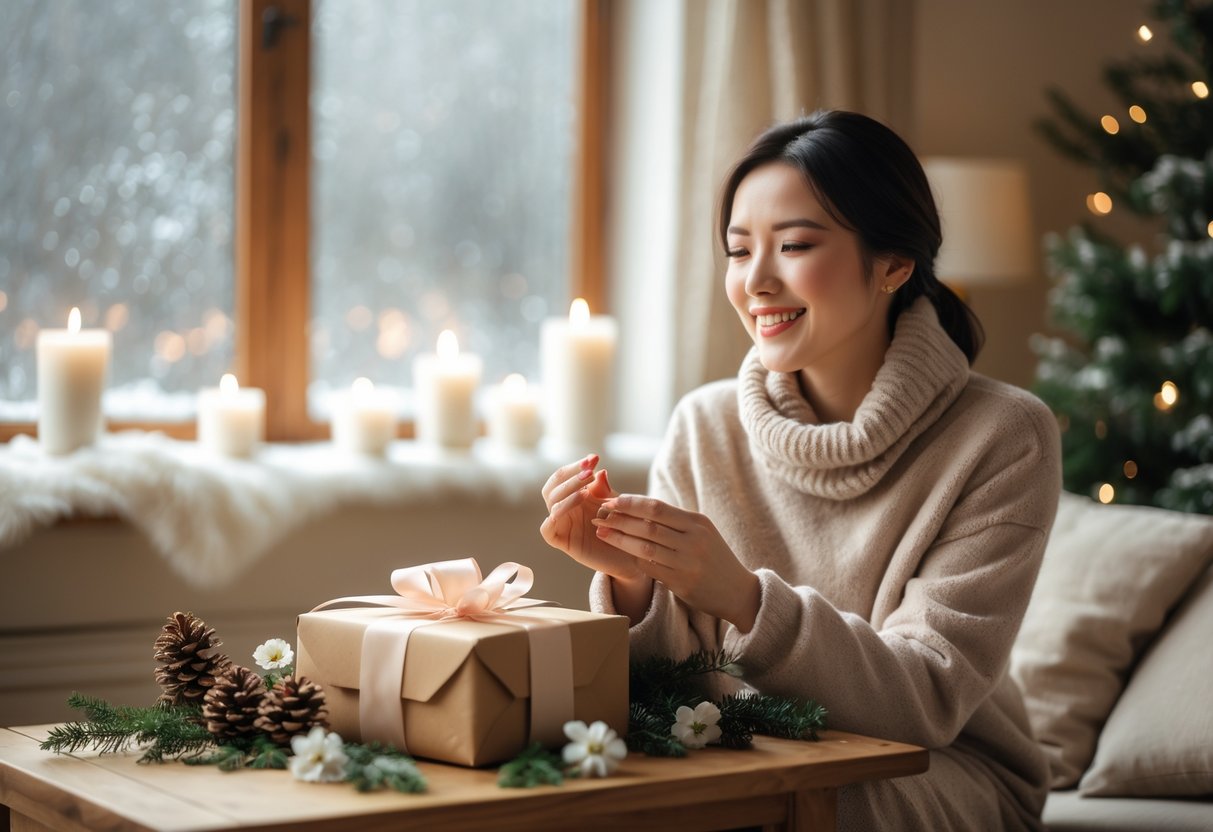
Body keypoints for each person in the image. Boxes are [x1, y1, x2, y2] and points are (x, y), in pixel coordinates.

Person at [540, 109, 1060, 831]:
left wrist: (741, 598)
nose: (756, 281)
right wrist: (634, 582)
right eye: (737, 250)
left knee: (787, 810)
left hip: (937, 767)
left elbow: (928, 700)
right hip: (747, 754)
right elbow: (668, 691)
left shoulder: (1002, 435)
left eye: (792, 246)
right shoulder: (704, 423)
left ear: (893, 264)